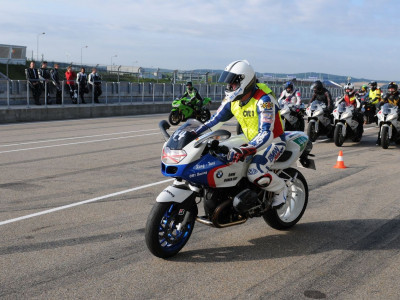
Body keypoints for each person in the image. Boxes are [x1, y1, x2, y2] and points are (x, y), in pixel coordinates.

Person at [194, 60, 287, 208]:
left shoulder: (264, 100)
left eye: (233, 83)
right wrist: (194, 134)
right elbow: (215, 121)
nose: (229, 87)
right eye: (228, 83)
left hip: (273, 141)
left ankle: (281, 188)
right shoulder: (233, 100)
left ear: (245, 80)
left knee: (254, 172)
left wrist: (246, 149)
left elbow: (266, 133)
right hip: (249, 138)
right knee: (216, 154)